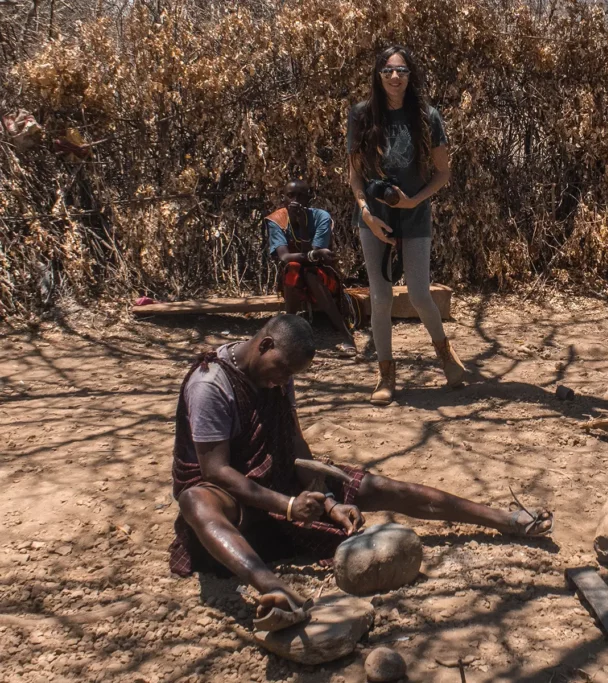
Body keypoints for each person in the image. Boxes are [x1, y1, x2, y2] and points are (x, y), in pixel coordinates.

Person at [169, 315, 552, 630]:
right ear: (265, 345)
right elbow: (216, 470)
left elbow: (297, 448)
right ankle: (274, 591)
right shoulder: (211, 384)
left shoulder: (278, 378)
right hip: (233, 499)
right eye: (282, 369)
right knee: (195, 501)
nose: (283, 380)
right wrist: (287, 505)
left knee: (375, 485)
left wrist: (330, 502)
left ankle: (504, 518)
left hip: (279, 481)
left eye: (290, 375)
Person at [347, 45, 465, 406]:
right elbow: (354, 176)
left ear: (410, 76)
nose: (394, 77)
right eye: (387, 71)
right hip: (373, 216)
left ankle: (445, 353)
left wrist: (416, 199)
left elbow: (443, 171)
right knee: (380, 297)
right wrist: (366, 211)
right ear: (378, 75)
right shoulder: (361, 115)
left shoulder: (428, 116)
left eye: (401, 71)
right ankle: (386, 374)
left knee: (418, 293)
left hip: (415, 214)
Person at [266, 180, 357, 358]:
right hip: (293, 279)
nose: (295, 200)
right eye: (290, 195)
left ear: (309, 198)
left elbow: (316, 260)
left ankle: (345, 334)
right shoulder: (277, 220)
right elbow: (285, 257)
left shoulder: (321, 217)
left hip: (323, 277)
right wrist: (314, 255)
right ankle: (288, 331)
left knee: (310, 273)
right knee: (293, 268)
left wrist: (304, 228)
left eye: (300, 196)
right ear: (284, 198)